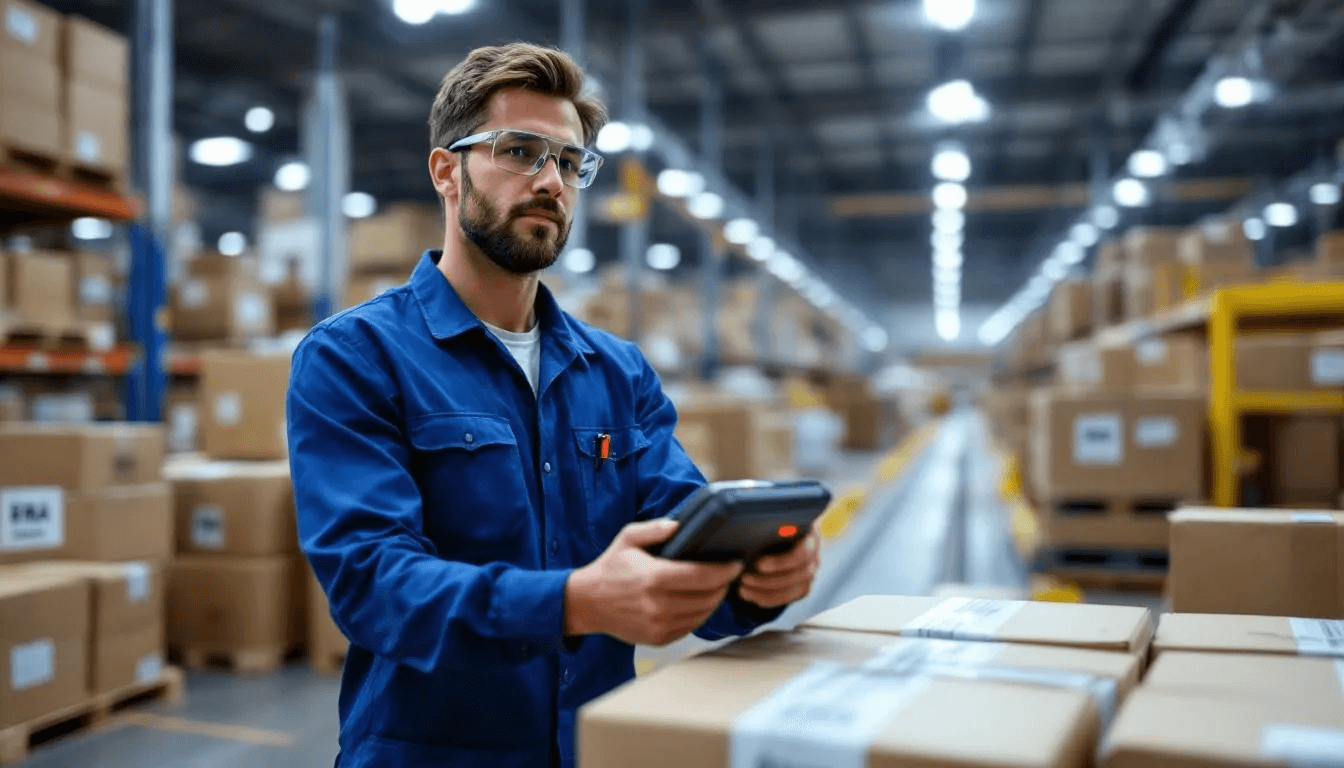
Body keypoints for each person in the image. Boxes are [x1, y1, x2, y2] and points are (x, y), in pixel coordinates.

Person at [286, 43, 821, 768]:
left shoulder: (617, 371)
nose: (550, 182)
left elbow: (681, 538)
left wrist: (757, 580)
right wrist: (573, 602)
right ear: (446, 171)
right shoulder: (356, 356)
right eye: (520, 152)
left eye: (570, 163)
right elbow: (371, 583)